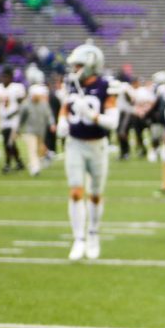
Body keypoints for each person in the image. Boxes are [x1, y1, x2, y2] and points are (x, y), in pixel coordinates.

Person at [57, 43, 118, 261]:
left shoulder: (106, 86)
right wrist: (62, 121)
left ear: (91, 65)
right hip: (74, 143)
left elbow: (113, 121)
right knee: (75, 191)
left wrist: (92, 115)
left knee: (95, 194)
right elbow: (65, 107)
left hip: (97, 145)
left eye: (79, 65)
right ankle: (78, 238)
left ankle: (93, 233)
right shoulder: (71, 83)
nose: (75, 70)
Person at [0, 67, 26, 173]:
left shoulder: (17, 88)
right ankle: (19, 162)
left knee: (8, 142)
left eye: (7, 77)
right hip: (3, 119)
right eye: (3, 76)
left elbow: (22, 104)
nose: (4, 79)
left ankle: (7, 164)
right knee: (9, 142)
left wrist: (16, 114)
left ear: (11, 78)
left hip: (14, 119)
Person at [18, 83, 55, 177]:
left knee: (39, 150)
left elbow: (49, 115)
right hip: (29, 131)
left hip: (41, 131)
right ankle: (35, 168)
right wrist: (18, 129)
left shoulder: (44, 104)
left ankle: (34, 163)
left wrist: (52, 124)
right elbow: (21, 118)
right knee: (32, 149)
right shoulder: (26, 104)